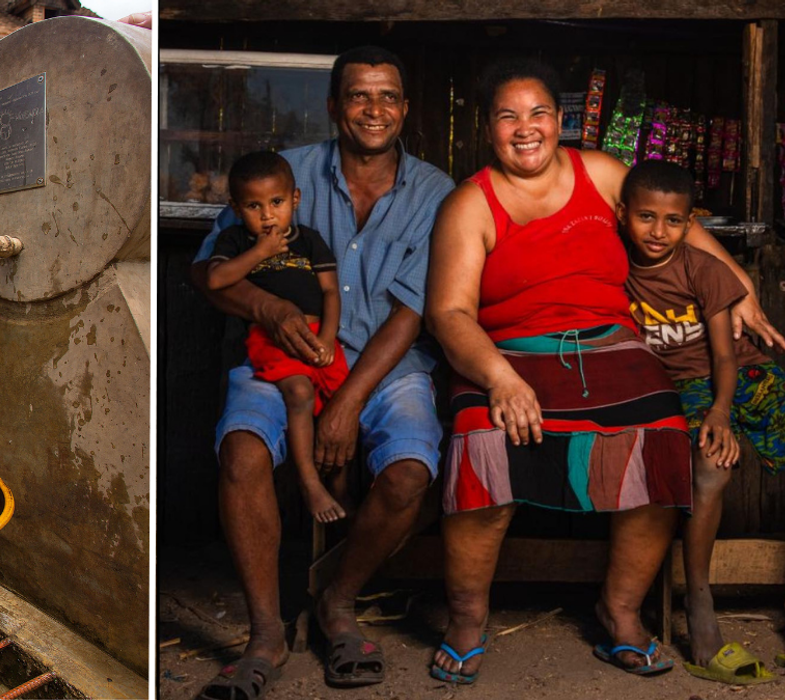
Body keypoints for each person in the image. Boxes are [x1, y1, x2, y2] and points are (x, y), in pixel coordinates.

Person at [425, 59, 783, 684]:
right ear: (489, 128)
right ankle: (466, 618)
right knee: (482, 439)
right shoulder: (469, 203)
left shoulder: (599, 171)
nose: (526, 128)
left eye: (538, 113)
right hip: (508, 352)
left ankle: (619, 613)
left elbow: (676, 222)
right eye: (509, 116)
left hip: (612, 344)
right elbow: (449, 312)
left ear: (559, 120)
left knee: (661, 431)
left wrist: (740, 287)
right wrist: (500, 379)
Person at [192, 46, 455, 697]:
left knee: (408, 473)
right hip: (276, 358)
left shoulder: (434, 192)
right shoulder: (285, 175)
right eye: (359, 96)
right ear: (334, 106)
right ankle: (265, 632)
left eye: (387, 97)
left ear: (404, 108)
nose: (374, 110)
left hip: (387, 366)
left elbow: (409, 314)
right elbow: (205, 272)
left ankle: (338, 602)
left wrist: (346, 402)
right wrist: (266, 303)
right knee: (242, 453)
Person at [619, 161, 780, 684]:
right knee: (711, 467)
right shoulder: (610, 267)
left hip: (738, 374)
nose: (657, 232)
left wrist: (721, 411)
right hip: (679, 389)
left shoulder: (704, 270)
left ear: (690, 224)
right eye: (645, 217)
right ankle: (701, 606)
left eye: (672, 221)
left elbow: (725, 356)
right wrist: (712, 420)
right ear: (623, 215)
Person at [207, 151, 348, 523]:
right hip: (270, 338)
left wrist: (330, 340)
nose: (267, 215)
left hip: (318, 335)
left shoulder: (310, 242)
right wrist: (261, 251)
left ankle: (342, 490)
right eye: (254, 206)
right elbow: (215, 280)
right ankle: (309, 483)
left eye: (277, 202)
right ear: (236, 208)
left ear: (295, 199)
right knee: (299, 392)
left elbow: (331, 292)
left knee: (345, 405)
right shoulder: (236, 241)